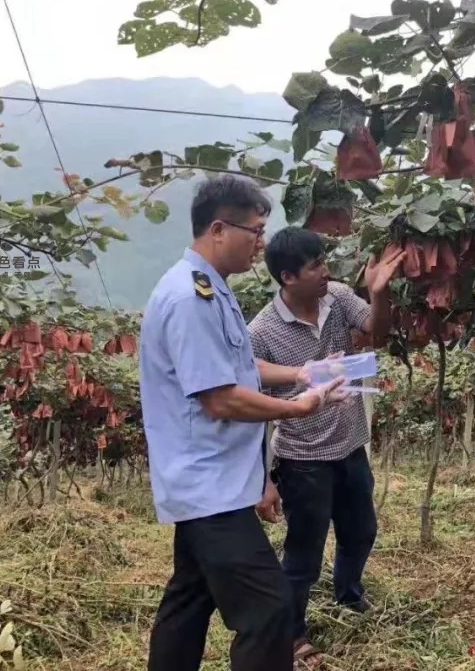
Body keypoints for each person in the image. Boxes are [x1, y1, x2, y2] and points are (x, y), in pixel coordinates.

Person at [139, 175, 348, 671]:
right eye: (254, 232)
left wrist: (300, 373)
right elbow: (221, 398)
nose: (261, 243)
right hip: (208, 485)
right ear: (218, 228)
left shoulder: (213, 290)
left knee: (189, 601)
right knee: (268, 610)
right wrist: (298, 407)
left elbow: (238, 369)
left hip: (217, 479)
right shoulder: (191, 299)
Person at [247, 227, 404, 666]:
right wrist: (263, 477)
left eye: (323, 261)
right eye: (315, 265)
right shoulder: (261, 330)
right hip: (302, 460)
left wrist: (379, 293)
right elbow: (250, 384)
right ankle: (292, 636)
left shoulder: (335, 296)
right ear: (287, 276)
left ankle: (349, 595)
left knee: (362, 532)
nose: (326, 272)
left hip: (351, 447)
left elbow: (376, 330)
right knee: (303, 553)